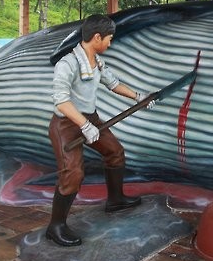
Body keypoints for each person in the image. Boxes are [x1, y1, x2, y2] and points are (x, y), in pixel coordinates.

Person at [45, 14, 154, 246]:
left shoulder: (97, 62)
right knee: (73, 174)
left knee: (115, 152)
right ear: (96, 37)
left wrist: (139, 97)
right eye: (109, 39)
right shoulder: (68, 64)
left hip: (90, 118)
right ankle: (56, 226)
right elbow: (61, 102)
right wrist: (83, 125)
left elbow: (113, 84)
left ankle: (115, 200)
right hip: (66, 123)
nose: (110, 43)